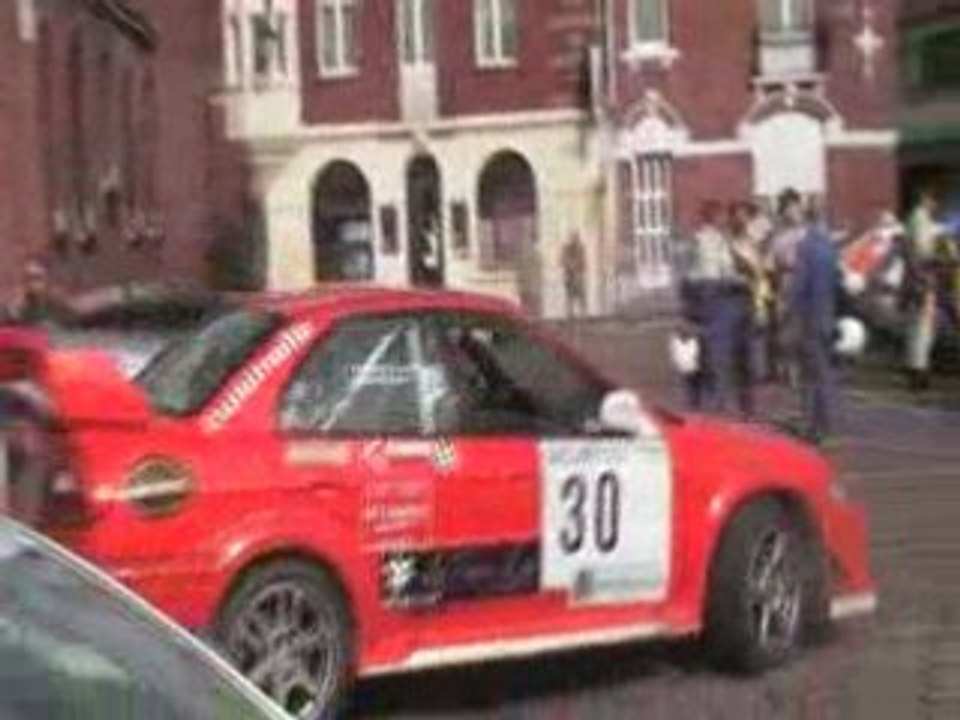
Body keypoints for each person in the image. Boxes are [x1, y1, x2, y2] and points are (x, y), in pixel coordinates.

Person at [692, 201, 753, 418]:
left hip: (723, 300)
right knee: (719, 354)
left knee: (724, 355)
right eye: (720, 216)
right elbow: (713, 274)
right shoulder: (707, 241)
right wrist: (740, 280)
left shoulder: (718, 240)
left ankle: (725, 402)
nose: (724, 221)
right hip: (717, 300)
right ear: (713, 217)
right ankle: (719, 404)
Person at [788, 210, 842, 445]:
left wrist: (789, 310)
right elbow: (837, 283)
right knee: (826, 374)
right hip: (828, 318)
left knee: (811, 376)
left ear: (807, 222)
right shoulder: (830, 248)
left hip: (809, 318)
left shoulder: (805, 247)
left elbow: (799, 286)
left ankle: (814, 427)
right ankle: (826, 425)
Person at [902, 190, 945, 391]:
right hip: (922, 282)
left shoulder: (915, 218)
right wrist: (940, 258)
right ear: (926, 199)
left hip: (915, 282)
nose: (936, 205)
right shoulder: (920, 218)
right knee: (922, 328)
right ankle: (919, 374)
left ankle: (914, 370)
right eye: (934, 200)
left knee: (915, 327)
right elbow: (922, 252)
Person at [768, 188, 809, 385]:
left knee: (804, 328)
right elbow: (771, 264)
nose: (792, 212)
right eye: (787, 209)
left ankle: (802, 368)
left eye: (794, 207)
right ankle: (788, 368)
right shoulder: (778, 237)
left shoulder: (808, 233)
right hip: (785, 283)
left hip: (805, 283)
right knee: (785, 330)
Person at [2, 257, 73, 327]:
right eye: (27, 278)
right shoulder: (16, 308)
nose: (30, 283)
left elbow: (72, 329)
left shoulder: (58, 306)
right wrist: (14, 314)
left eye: (37, 278)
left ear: (48, 280)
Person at [561, 233, 587, 318]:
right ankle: (570, 313)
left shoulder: (581, 248)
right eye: (573, 238)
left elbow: (583, 262)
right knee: (570, 295)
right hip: (569, 275)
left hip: (578, 275)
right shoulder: (566, 248)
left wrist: (578, 267)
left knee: (581, 294)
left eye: (576, 238)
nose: (574, 240)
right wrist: (570, 265)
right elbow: (562, 261)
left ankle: (583, 313)